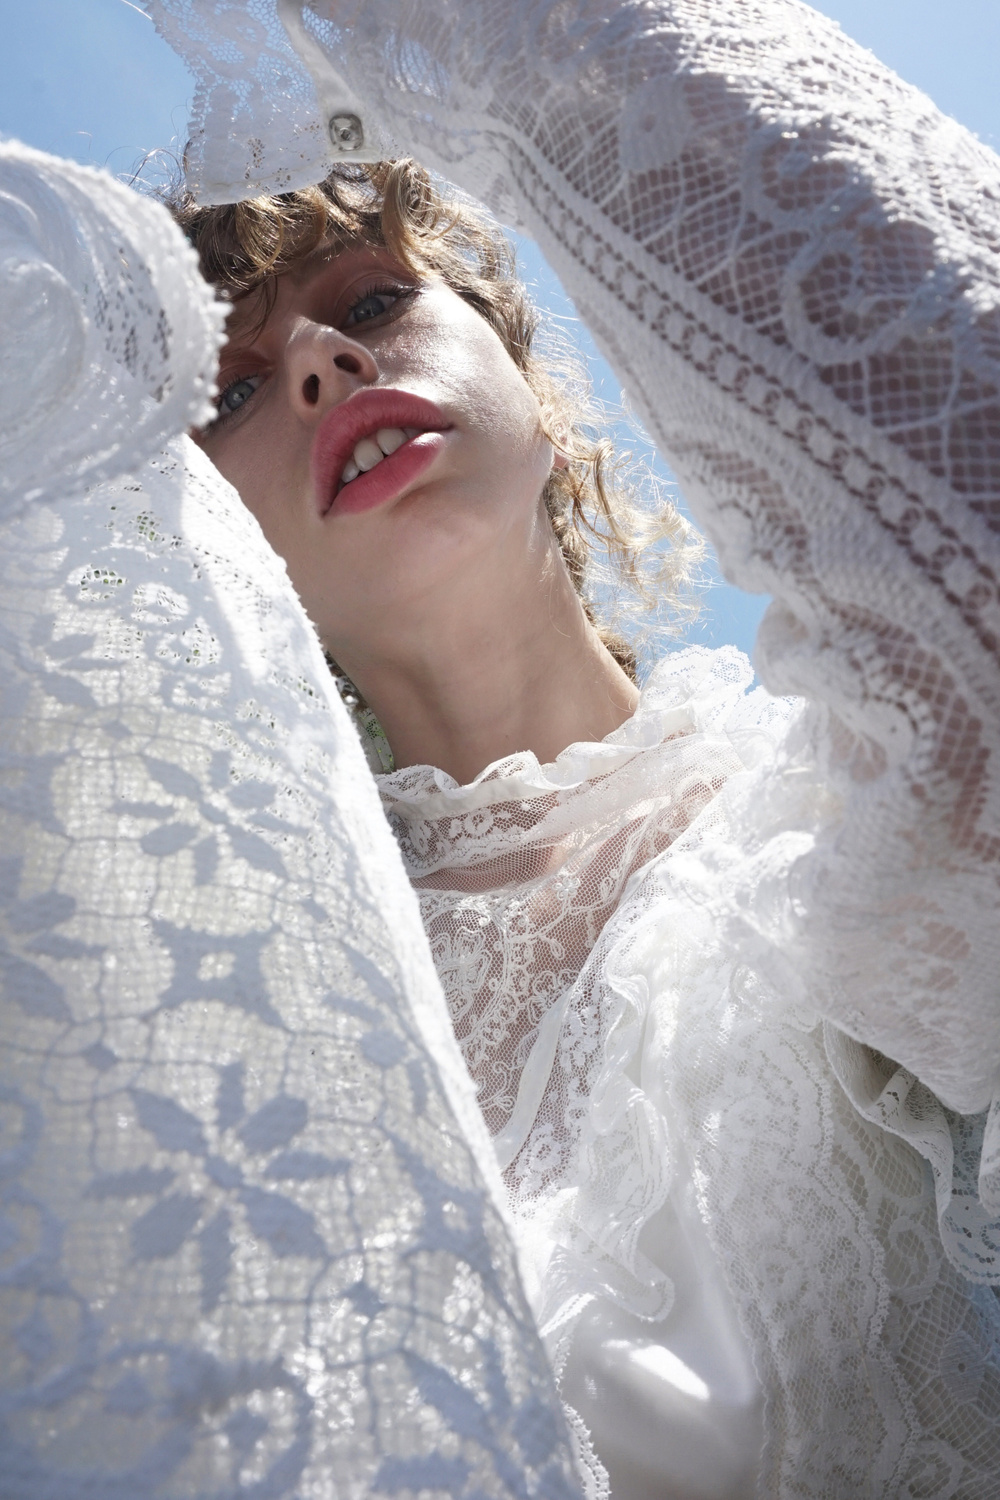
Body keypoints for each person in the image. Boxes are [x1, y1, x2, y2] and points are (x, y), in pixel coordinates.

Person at [152, 0, 1000, 1494]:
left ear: (539, 393)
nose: (321, 365)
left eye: (371, 303)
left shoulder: (810, 812)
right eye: (230, 389)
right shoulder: (240, 1016)